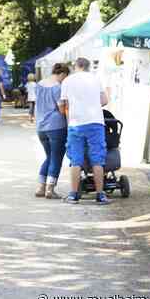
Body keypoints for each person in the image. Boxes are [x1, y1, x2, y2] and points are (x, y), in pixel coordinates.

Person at [59, 57, 110, 205]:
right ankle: (100, 195)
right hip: (95, 123)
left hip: (75, 124)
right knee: (98, 160)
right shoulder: (96, 79)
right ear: (88, 67)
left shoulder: (67, 81)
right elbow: (105, 101)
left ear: (76, 66)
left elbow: (63, 103)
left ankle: (74, 195)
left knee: (76, 160)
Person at [34, 64, 70, 199]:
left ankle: (41, 187)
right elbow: (61, 109)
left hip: (41, 127)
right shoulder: (57, 88)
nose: (64, 80)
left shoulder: (39, 85)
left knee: (49, 156)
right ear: (62, 74)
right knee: (56, 157)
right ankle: (50, 189)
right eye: (65, 77)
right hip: (56, 126)